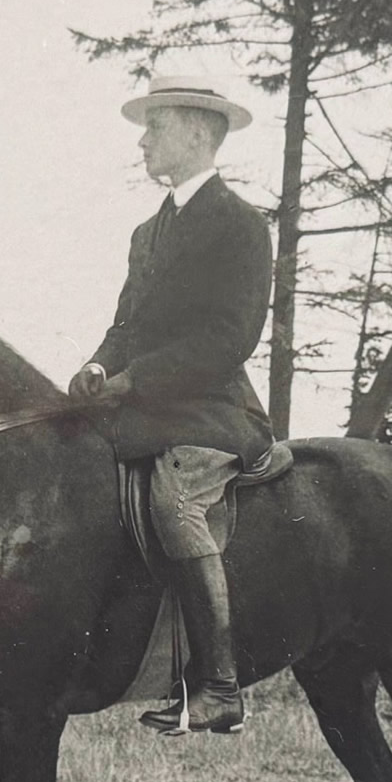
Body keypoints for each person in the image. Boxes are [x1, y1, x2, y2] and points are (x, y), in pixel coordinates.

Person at [69, 75, 275, 736]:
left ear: (192, 131)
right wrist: (100, 365)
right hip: (143, 405)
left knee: (174, 503)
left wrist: (139, 379)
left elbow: (229, 338)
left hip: (211, 409)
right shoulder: (146, 233)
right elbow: (126, 324)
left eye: (154, 127)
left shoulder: (242, 226)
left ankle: (219, 687)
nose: (143, 140)